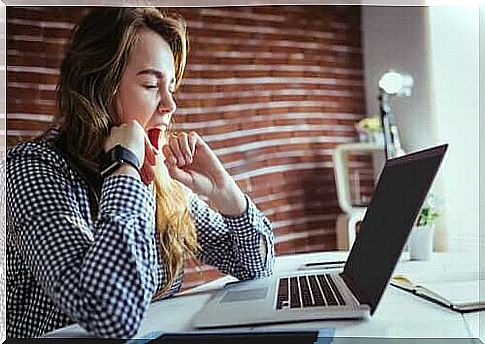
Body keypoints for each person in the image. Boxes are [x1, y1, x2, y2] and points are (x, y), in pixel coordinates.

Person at [6, 7, 275, 339]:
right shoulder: (34, 169)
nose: (169, 105)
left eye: (171, 87)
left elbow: (255, 265)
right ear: (98, 87)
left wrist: (226, 193)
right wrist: (123, 166)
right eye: (150, 85)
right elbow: (110, 313)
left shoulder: (158, 176)